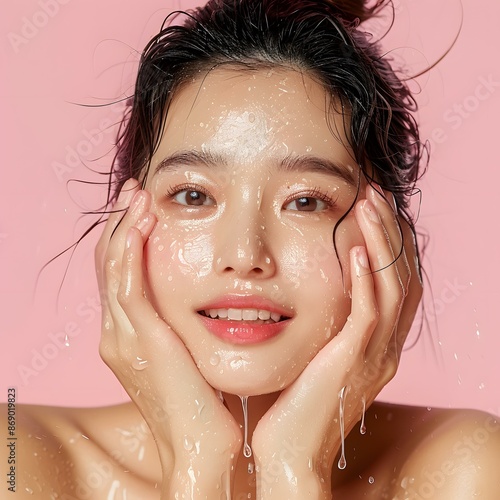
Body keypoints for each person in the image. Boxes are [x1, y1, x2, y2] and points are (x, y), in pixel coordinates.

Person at [2, 0, 499, 498]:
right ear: (121, 227)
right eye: (193, 195)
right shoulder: (18, 460)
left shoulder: (463, 469)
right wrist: (196, 463)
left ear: (389, 238)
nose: (244, 254)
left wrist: (294, 471)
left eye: (306, 201)